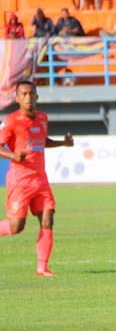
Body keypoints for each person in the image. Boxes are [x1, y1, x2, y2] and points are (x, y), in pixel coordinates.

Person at [0, 81, 74, 277]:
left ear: (37, 96)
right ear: (17, 98)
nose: (28, 98)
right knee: (17, 226)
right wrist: (13, 156)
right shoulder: (11, 121)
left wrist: (63, 143)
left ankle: (43, 268)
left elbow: (43, 140)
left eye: (31, 94)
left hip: (40, 180)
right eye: (23, 94)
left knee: (48, 218)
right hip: (20, 181)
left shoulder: (42, 118)